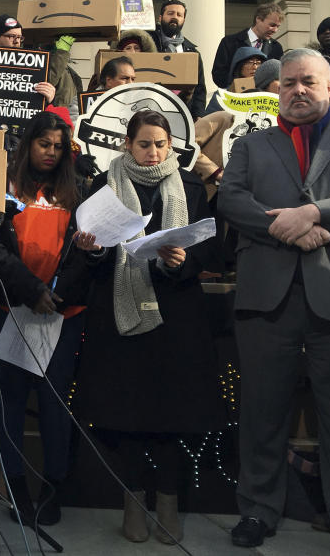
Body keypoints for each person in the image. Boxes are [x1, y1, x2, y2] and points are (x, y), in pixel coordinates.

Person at [218, 48, 330, 554]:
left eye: (309, 81)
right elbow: (232, 199)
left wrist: (312, 214)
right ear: (276, 91)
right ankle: (258, 511)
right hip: (268, 301)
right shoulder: (251, 145)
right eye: (288, 84)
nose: (298, 91)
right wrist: (282, 228)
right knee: (262, 414)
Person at [73, 109, 223, 545]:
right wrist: (93, 250)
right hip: (119, 320)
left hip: (177, 319)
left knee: (173, 416)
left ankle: (169, 505)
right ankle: (134, 502)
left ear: (171, 146)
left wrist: (181, 261)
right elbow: (89, 255)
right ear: (127, 143)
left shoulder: (192, 186)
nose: (153, 151)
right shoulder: (103, 186)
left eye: (160, 143)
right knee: (126, 416)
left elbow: (209, 250)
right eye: (144, 143)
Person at [0, 111, 85, 526]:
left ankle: (53, 487)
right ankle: (15, 488)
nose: (50, 152)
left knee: (54, 406)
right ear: (28, 143)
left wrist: (56, 294)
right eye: (43, 144)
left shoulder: (78, 191)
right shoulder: (4, 187)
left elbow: (87, 251)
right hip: (13, 307)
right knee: (10, 404)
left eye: (58, 146)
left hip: (63, 313)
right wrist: (31, 291)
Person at [194, 58, 280, 199]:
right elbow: (187, 144)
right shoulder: (223, 118)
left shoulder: (276, 127)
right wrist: (215, 172)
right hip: (209, 194)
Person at [0, 14, 82, 117]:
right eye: (11, 36)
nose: (17, 41)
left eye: (19, 37)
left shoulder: (29, 61)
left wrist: (49, 100)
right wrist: (61, 54)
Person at [149, 0, 208, 119]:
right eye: (170, 13)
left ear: (183, 20)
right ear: (160, 18)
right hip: (151, 109)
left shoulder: (192, 52)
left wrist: (198, 116)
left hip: (182, 112)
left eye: (179, 15)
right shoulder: (148, 43)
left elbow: (200, 89)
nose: (175, 17)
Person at [212, 3, 285, 87]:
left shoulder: (276, 47)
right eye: (272, 25)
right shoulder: (229, 42)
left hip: (265, 98)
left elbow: (279, 76)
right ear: (258, 19)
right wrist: (238, 87)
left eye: (278, 26)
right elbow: (218, 74)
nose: (275, 30)